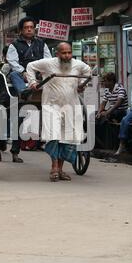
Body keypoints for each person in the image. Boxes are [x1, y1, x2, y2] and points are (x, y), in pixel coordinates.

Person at [27, 42, 91, 182]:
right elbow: (30, 66)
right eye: (64, 53)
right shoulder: (48, 63)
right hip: (51, 105)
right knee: (53, 136)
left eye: (69, 53)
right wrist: (32, 82)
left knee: (66, 138)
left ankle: (60, 169)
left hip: (71, 105)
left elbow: (88, 72)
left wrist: (81, 86)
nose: (67, 56)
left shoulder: (78, 65)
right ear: (57, 54)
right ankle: (54, 167)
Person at [6, 17, 52, 163]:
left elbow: (48, 60)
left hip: (38, 77)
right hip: (22, 76)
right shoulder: (14, 45)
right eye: (26, 27)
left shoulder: (42, 44)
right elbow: (13, 62)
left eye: (31, 27)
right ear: (21, 30)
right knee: (13, 74)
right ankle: (24, 93)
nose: (29, 29)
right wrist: (23, 72)